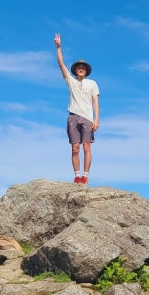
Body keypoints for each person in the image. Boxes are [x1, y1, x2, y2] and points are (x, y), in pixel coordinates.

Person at [54, 32, 100, 185]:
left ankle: (85, 176)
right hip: (73, 116)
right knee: (75, 148)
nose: (80, 69)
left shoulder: (92, 83)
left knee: (87, 147)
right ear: (76, 70)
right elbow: (61, 64)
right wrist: (59, 47)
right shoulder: (71, 82)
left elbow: (95, 102)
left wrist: (96, 119)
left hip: (87, 118)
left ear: (86, 71)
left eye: (83, 68)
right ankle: (77, 176)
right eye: (78, 68)